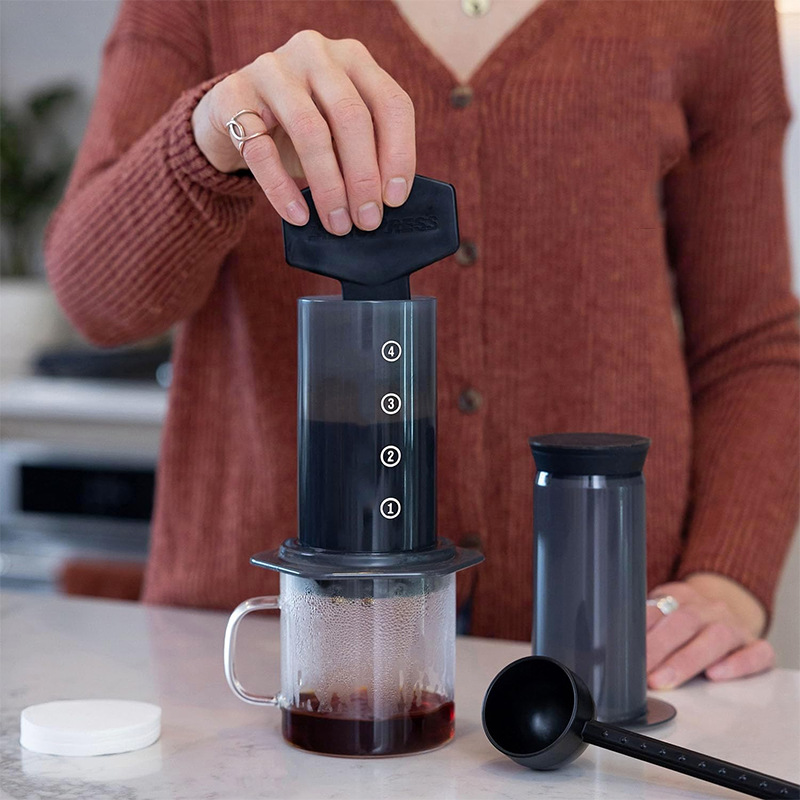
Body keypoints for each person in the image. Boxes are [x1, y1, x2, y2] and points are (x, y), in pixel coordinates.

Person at [45, 0, 799, 691]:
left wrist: (726, 579)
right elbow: (95, 299)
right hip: (264, 658)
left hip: (596, 650)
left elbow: (751, 341)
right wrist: (207, 140)